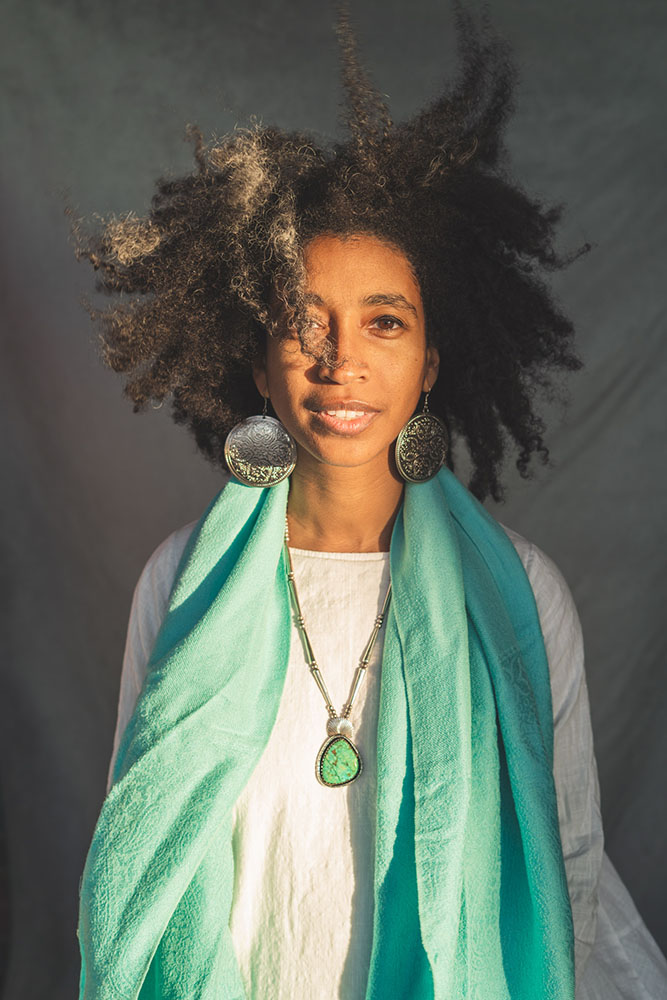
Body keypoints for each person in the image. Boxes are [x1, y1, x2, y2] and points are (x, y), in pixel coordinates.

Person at [73, 3, 667, 997]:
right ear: (259, 366)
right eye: (304, 324)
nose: (341, 362)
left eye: (383, 323)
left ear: (429, 361)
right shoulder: (177, 580)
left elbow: (563, 865)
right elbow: (133, 857)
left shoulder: (521, 595)